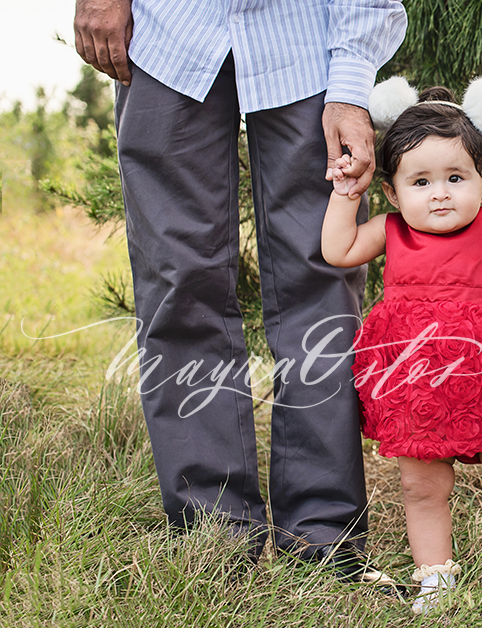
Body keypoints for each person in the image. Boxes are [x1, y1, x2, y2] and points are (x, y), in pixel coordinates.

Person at [73, 0, 407, 580]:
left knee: (323, 279)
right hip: (167, 35)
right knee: (177, 281)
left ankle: (325, 539)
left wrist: (352, 82)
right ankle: (212, 534)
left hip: (307, 39)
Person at [322, 77, 482, 612]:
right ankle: (436, 577)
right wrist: (346, 195)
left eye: (455, 177)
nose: (439, 193)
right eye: (421, 181)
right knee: (421, 485)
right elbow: (338, 250)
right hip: (414, 382)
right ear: (392, 191)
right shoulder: (390, 230)